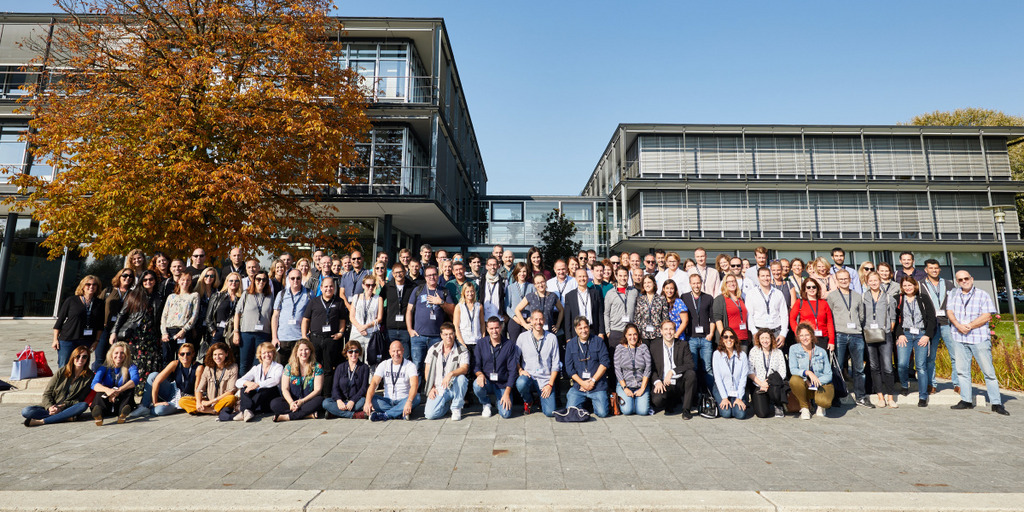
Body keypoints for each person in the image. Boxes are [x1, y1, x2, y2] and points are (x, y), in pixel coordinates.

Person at [947, 271, 1008, 415]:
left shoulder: (983, 294)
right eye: (960, 279)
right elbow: (949, 311)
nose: (963, 281)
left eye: (966, 278)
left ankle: (996, 403)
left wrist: (969, 326)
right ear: (957, 281)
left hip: (978, 338)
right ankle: (966, 400)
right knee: (962, 371)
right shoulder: (953, 294)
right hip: (959, 337)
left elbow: (986, 316)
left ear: (972, 279)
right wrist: (957, 325)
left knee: (988, 372)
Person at [827, 270, 871, 408]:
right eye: (840, 279)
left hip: (856, 335)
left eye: (846, 278)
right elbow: (829, 316)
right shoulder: (832, 296)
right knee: (837, 368)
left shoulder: (857, 296)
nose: (844, 281)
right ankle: (836, 396)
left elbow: (862, 316)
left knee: (859, 368)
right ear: (836, 280)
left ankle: (861, 396)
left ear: (850, 279)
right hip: (839, 334)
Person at [111, 272, 162, 383]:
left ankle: (143, 390)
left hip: (151, 335)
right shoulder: (134, 295)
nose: (148, 282)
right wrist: (114, 332)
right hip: (135, 334)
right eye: (145, 280)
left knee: (149, 363)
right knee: (133, 362)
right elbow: (122, 314)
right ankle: (129, 387)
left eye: (151, 279)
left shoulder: (158, 296)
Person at [22, 346, 93, 427]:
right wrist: (50, 407)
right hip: (52, 406)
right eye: (78, 356)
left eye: (84, 357)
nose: (80, 359)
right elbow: (47, 393)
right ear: (72, 357)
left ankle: (42, 421)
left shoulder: (89, 376)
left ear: (87, 359)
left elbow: (80, 399)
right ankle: (65, 418)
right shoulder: (61, 371)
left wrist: (61, 407)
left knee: (83, 405)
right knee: (26, 411)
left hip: (68, 408)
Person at [893, 276, 937, 407]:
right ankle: (904, 384)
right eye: (905, 285)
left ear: (915, 285)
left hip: (921, 334)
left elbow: (931, 318)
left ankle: (923, 396)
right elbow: (894, 319)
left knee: (921, 366)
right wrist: (899, 334)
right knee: (901, 364)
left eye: (910, 285)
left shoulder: (923, 298)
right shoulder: (898, 299)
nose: (907, 288)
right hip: (905, 334)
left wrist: (927, 335)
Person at [407, 266, 454, 375]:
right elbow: (409, 310)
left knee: (436, 367)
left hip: (437, 337)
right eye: (429, 275)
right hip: (418, 336)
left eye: (434, 274)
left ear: (438, 275)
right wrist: (410, 329)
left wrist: (441, 302)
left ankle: (433, 391)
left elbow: (452, 310)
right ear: (425, 277)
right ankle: (417, 391)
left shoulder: (444, 291)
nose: (432, 277)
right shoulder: (418, 290)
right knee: (417, 366)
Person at [303, 276, 347, 385]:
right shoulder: (314, 302)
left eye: (331, 286)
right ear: (321, 288)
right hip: (315, 339)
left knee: (328, 369)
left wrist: (341, 333)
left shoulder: (339, 302)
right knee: (314, 367)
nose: (329, 289)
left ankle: (326, 394)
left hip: (331, 340)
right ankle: (313, 392)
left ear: (334, 288)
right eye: (326, 286)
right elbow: (306, 319)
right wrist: (304, 335)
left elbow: (342, 319)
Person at [649, 319, 697, 419]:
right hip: (664, 383)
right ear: (661, 331)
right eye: (666, 329)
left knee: (691, 374)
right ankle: (670, 402)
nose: (668, 332)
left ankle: (686, 410)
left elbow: (690, 364)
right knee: (657, 400)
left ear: (675, 331)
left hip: (679, 381)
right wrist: (657, 381)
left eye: (671, 329)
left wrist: (672, 371)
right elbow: (651, 367)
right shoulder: (654, 346)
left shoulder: (683, 344)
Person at [53, 275, 104, 368]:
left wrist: (96, 340)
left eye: (94, 284)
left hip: (87, 340)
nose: (91, 286)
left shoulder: (99, 303)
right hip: (68, 339)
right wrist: (55, 339)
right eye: (88, 284)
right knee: (65, 365)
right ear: (83, 286)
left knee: (81, 365)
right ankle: (64, 383)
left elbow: (100, 325)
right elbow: (60, 321)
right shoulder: (71, 300)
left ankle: (78, 383)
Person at [863, 271, 898, 408]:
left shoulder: (889, 298)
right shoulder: (863, 297)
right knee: (874, 366)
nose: (873, 283)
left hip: (885, 334)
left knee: (888, 366)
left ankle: (890, 397)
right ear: (867, 282)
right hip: (869, 334)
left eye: (875, 280)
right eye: (870, 280)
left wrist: (888, 329)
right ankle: (880, 396)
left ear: (880, 281)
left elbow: (893, 317)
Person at [473, 317, 519, 418]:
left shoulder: (509, 345)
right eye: (491, 328)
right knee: (476, 385)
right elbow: (476, 365)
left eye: (497, 328)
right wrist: (479, 374)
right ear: (487, 329)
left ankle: (499, 400)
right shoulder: (481, 343)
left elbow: (512, 371)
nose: (494, 331)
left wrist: (507, 392)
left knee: (506, 414)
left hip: (502, 384)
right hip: (487, 382)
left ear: (501, 327)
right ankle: (486, 403)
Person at [516, 310, 560, 417]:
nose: (538, 322)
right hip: (529, 377)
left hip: (545, 380)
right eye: (535, 319)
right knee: (520, 383)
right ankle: (529, 401)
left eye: (541, 319)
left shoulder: (552, 338)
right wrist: (520, 370)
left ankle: (541, 399)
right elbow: (515, 358)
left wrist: (550, 384)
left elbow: (556, 363)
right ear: (531, 320)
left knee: (550, 413)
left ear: (544, 320)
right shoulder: (522, 337)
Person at [138, 342, 201, 417]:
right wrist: (155, 403)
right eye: (182, 354)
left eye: (188, 354)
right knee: (153, 375)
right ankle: (144, 406)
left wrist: (197, 402)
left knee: (159, 411)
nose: (185, 356)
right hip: (173, 390)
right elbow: (156, 381)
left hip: (184, 398)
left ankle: (150, 407)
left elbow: (197, 389)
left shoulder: (198, 367)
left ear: (193, 354)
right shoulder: (175, 363)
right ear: (178, 355)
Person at [564, 317, 610, 417]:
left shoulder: (598, 341)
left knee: (602, 413)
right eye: (580, 328)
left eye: (585, 327)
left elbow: (604, 364)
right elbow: (569, 369)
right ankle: (586, 403)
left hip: (597, 385)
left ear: (589, 328)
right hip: (579, 386)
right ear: (575, 330)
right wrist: (582, 383)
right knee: (570, 411)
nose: (583, 330)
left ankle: (590, 403)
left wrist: (592, 381)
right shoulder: (570, 344)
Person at [423, 323, 470, 420]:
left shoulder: (462, 350)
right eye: (445, 334)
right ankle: (447, 405)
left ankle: (456, 407)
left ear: (454, 334)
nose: (448, 337)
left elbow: (465, 368)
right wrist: (431, 387)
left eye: (451, 334)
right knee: (430, 415)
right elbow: (427, 370)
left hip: (453, 387)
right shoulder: (433, 349)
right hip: (438, 388)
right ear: (441, 335)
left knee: (462, 379)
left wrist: (451, 374)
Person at [922, 259, 956, 395]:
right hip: (931, 325)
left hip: (947, 323)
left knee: (955, 355)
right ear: (926, 270)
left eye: (936, 268)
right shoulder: (921, 285)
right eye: (931, 268)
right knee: (930, 357)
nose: (934, 270)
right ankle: (932, 384)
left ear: (939, 269)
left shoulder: (948, 284)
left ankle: (957, 383)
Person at [364, 340, 421, 421]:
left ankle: (386, 415)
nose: (396, 354)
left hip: (403, 399)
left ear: (403, 350)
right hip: (387, 401)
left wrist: (408, 401)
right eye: (393, 351)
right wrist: (367, 401)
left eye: (398, 350)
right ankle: (399, 413)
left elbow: (414, 385)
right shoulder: (384, 364)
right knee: (370, 398)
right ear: (390, 352)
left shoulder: (410, 365)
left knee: (417, 398)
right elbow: (374, 383)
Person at [179, 342, 238, 419]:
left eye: (220, 354)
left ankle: (205, 410)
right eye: (215, 355)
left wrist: (210, 402)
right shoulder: (208, 368)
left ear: (226, 354)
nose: (217, 357)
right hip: (208, 401)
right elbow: (199, 389)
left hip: (221, 401)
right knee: (182, 401)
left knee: (231, 398)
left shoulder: (233, 367)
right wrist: (199, 403)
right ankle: (211, 411)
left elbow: (231, 391)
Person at [789, 324, 834, 419]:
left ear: (812, 336)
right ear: (798, 337)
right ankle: (804, 408)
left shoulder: (821, 351)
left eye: (807, 335)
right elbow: (793, 369)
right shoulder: (793, 349)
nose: (804, 338)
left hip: (820, 384)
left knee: (824, 402)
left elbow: (829, 374)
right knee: (794, 380)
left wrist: (816, 381)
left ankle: (820, 406)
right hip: (805, 383)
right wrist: (808, 373)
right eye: (801, 335)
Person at [270, 339, 324, 421]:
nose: (304, 353)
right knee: (274, 404)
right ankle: (308, 415)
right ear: (296, 352)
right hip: (292, 401)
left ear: (310, 351)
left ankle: (287, 417)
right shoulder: (289, 367)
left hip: (308, 401)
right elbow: (285, 389)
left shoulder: (317, 367)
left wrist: (302, 401)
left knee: (320, 400)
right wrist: (291, 403)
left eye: (306, 349)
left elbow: (318, 390)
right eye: (301, 350)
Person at [234, 270, 274, 377]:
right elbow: (237, 313)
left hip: (263, 334)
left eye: (264, 279)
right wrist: (236, 332)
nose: (261, 282)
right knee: (244, 363)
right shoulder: (246, 294)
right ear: (254, 280)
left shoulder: (270, 296)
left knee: (260, 363)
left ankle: (256, 387)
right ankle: (242, 387)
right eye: (258, 279)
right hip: (246, 333)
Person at [90, 341, 140, 425]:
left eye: (122, 353)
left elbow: (135, 379)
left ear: (126, 355)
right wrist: (108, 391)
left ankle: (123, 413)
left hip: (120, 400)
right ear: (111, 354)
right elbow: (94, 384)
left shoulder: (131, 366)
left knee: (129, 390)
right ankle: (98, 413)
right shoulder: (104, 367)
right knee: (100, 392)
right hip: (106, 401)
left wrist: (119, 390)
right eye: (116, 353)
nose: (119, 356)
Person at [233, 341, 283, 421]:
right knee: (244, 389)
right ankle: (247, 411)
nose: (267, 355)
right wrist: (248, 383)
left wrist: (258, 384)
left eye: (269, 352)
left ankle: (245, 411)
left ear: (273, 353)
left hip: (271, 396)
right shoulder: (256, 368)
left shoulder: (278, 367)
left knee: (265, 389)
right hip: (259, 399)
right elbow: (238, 382)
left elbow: (275, 380)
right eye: (264, 353)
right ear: (260, 355)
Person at [97, 269, 135, 372]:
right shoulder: (108, 291)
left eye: (130, 276)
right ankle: (97, 384)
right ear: (119, 276)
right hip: (105, 328)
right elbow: (98, 308)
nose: (127, 278)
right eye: (125, 275)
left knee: (119, 359)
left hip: (122, 330)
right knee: (100, 358)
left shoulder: (133, 294)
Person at [323, 341, 370, 419]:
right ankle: (355, 415)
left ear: (359, 353)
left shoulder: (364, 368)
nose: (353, 354)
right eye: (351, 351)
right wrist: (338, 400)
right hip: (342, 401)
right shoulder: (340, 367)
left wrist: (353, 400)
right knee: (325, 403)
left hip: (356, 401)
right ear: (346, 353)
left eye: (356, 351)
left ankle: (335, 413)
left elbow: (364, 388)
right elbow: (335, 387)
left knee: (363, 401)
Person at [747, 328, 788, 418]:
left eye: (767, 338)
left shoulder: (778, 352)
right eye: (762, 338)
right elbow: (750, 371)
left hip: (774, 384)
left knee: (775, 389)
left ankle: (778, 405)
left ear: (771, 339)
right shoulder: (754, 351)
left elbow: (782, 371)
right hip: (759, 384)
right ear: (758, 339)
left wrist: (769, 382)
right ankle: (767, 402)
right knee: (762, 414)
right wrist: (761, 383)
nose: (765, 341)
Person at [160, 272, 199, 365]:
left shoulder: (194, 296)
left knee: (184, 357)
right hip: (169, 330)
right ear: (178, 281)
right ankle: (168, 379)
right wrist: (164, 332)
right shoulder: (171, 297)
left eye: (188, 280)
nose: (185, 282)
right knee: (167, 357)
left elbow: (194, 315)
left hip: (183, 331)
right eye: (183, 280)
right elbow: (164, 315)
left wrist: (184, 330)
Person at [271, 269, 308, 364]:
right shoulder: (281, 294)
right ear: (288, 280)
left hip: (299, 338)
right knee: (282, 368)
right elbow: (275, 316)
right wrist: (274, 337)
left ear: (301, 279)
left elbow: (312, 315)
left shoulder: (308, 294)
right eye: (292, 278)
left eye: (298, 278)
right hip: (283, 338)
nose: (295, 280)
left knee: (299, 367)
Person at [745, 268, 788, 349]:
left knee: (776, 359)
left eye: (768, 276)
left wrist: (783, 334)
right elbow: (749, 315)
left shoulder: (778, 293)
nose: (765, 278)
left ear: (771, 277)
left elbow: (784, 314)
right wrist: (754, 333)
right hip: (759, 332)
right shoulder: (751, 294)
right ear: (758, 277)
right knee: (760, 359)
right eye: (763, 276)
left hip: (776, 332)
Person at [614, 323, 651, 416]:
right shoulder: (619, 348)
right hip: (625, 384)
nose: (633, 337)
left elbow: (648, 368)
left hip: (640, 384)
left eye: (635, 334)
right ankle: (632, 402)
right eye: (630, 335)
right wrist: (625, 388)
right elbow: (617, 369)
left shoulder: (643, 348)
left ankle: (638, 402)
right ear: (625, 335)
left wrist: (642, 388)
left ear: (638, 335)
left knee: (643, 412)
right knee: (627, 411)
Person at [712, 327, 749, 419]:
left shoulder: (743, 355)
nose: (729, 339)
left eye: (731, 337)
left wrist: (739, 398)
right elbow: (718, 378)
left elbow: (743, 378)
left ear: (735, 339)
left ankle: (734, 403)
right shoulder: (717, 354)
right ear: (722, 340)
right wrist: (724, 398)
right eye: (726, 337)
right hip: (722, 388)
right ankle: (724, 402)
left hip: (737, 389)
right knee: (726, 414)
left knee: (740, 415)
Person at [788, 278, 835, 351]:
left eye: (814, 287)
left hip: (822, 338)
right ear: (805, 289)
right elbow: (792, 319)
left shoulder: (824, 303)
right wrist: (798, 333)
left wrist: (831, 341)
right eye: (808, 287)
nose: (811, 289)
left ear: (817, 288)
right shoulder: (800, 302)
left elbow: (829, 322)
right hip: (806, 338)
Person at [512, 272, 563, 337]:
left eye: (542, 282)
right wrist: (524, 324)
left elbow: (561, 310)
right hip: (534, 331)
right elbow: (517, 310)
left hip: (549, 331)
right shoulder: (530, 296)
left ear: (545, 282)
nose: (540, 285)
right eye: (538, 283)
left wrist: (557, 325)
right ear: (535, 285)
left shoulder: (553, 296)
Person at [563, 267, 604, 342]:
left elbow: (600, 314)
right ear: (575, 278)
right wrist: (568, 337)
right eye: (580, 276)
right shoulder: (569, 296)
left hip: (593, 330)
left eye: (584, 276)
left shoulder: (595, 293)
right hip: (577, 331)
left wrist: (601, 332)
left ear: (588, 278)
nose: (582, 278)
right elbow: (567, 318)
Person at [383, 263, 414, 358]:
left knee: (406, 356)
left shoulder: (412, 287)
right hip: (390, 328)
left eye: (400, 272)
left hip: (405, 328)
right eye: (396, 272)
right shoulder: (387, 287)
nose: (398, 274)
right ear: (392, 273)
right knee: (390, 357)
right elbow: (379, 302)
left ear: (405, 272)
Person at [603, 266, 638, 349]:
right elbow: (606, 314)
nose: (623, 278)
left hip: (630, 332)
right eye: (620, 276)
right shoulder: (610, 293)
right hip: (615, 331)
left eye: (625, 276)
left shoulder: (634, 292)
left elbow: (637, 311)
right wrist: (608, 332)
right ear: (616, 276)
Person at [713, 274, 750, 347]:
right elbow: (718, 320)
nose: (732, 284)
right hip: (730, 339)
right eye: (728, 282)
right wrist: (724, 337)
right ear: (724, 284)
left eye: (733, 281)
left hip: (743, 337)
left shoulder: (741, 298)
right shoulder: (720, 299)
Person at [349, 275, 382, 356]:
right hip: (356, 332)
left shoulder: (378, 298)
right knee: (355, 358)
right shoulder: (356, 297)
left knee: (370, 361)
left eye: (373, 285)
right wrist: (360, 328)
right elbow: (352, 316)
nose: (370, 288)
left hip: (371, 333)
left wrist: (366, 327)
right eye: (368, 285)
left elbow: (379, 318)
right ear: (363, 285)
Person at [205, 272, 242, 346]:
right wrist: (213, 331)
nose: (233, 283)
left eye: (236, 281)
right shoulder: (217, 296)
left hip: (233, 332)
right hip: (218, 330)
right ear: (227, 282)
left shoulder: (241, 298)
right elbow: (208, 317)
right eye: (231, 280)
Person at [633, 274, 669, 347]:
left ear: (654, 284)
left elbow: (665, 318)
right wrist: (638, 335)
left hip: (657, 335)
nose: (647, 285)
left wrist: (664, 333)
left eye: (649, 282)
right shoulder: (640, 299)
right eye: (645, 283)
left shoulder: (661, 299)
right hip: (643, 335)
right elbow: (637, 319)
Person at [194, 267, 221, 356]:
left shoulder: (217, 293)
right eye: (206, 275)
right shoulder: (196, 292)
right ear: (203, 276)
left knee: (209, 351)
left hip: (210, 325)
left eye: (212, 276)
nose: (209, 278)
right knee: (194, 349)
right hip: (197, 325)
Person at [504, 263, 534, 342]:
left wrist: (530, 317)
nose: (522, 274)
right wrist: (515, 317)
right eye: (519, 271)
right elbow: (507, 306)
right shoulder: (510, 288)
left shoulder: (532, 287)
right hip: (515, 320)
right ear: (516, 273)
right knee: (514, 343)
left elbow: (534, 305)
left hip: (528, 320)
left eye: (524, 271)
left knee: (527, 343)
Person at [479, 257, 505, 326]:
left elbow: (506, 299)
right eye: (490, 265)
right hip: (484, 318)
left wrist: (505, 314)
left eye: (494, 265)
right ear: (486, 266)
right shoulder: (480, 280)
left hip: (499, 318)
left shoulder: (503, 281)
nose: (492, 267)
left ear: (498, 266)